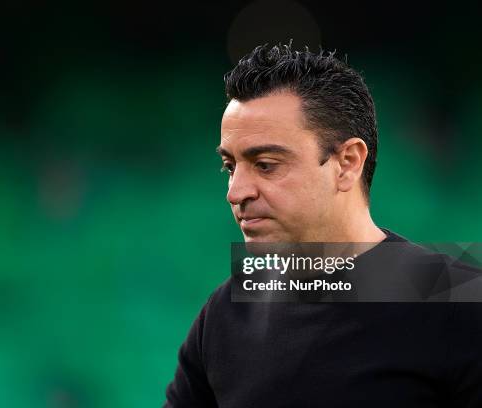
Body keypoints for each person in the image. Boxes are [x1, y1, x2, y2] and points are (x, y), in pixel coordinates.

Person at [163, 43, 482, 407]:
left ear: (347, 163)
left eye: (266, 164)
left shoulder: (460, 300)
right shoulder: (225, 312)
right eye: (230, 168)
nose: (235, 193)